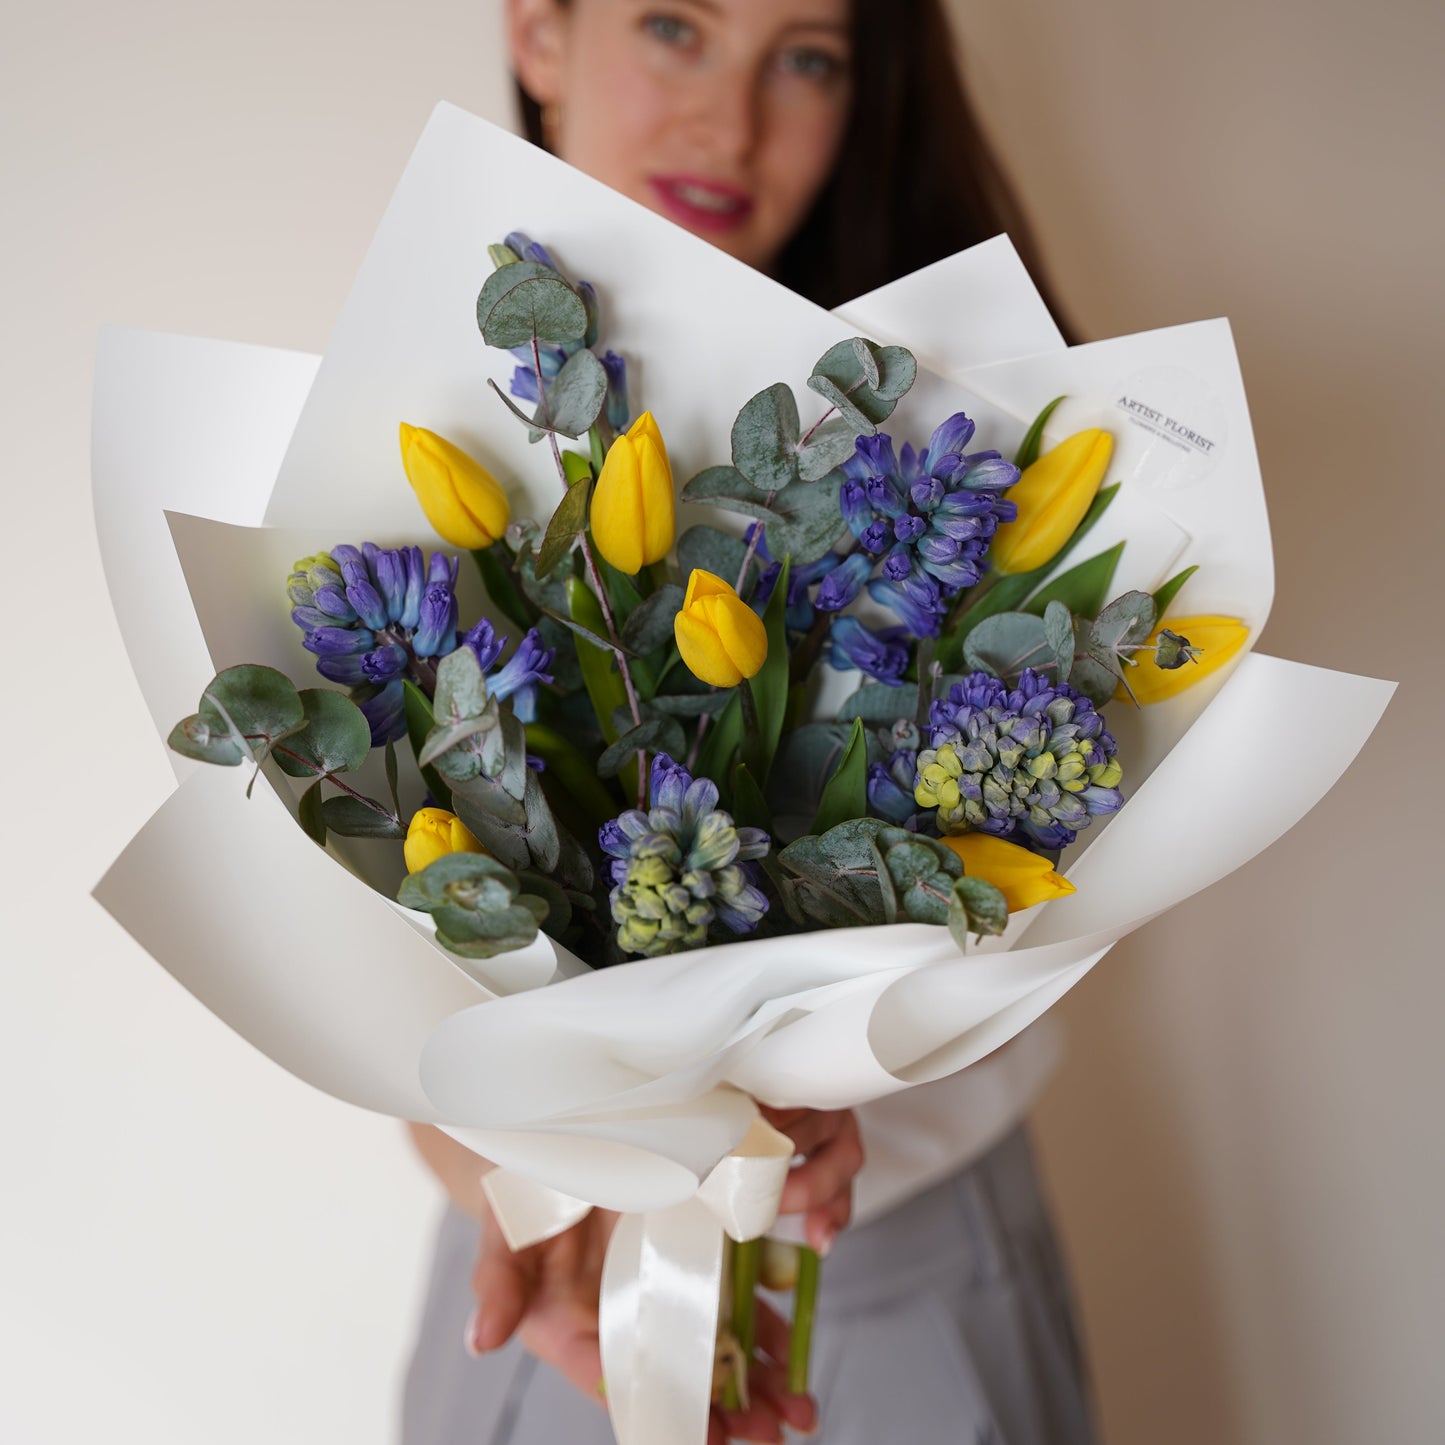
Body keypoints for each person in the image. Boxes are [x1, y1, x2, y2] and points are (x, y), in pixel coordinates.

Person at [403, 2, 1092, 1442]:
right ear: (540, 30)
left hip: (903, 1285)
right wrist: (537, 1181)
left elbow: (1052, 888)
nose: (730, 124)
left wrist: (833, 1100)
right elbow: (380, 959)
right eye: (676, 24)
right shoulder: (413, 418)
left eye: (808, 56)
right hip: (553, 1281)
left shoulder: (969, 435)